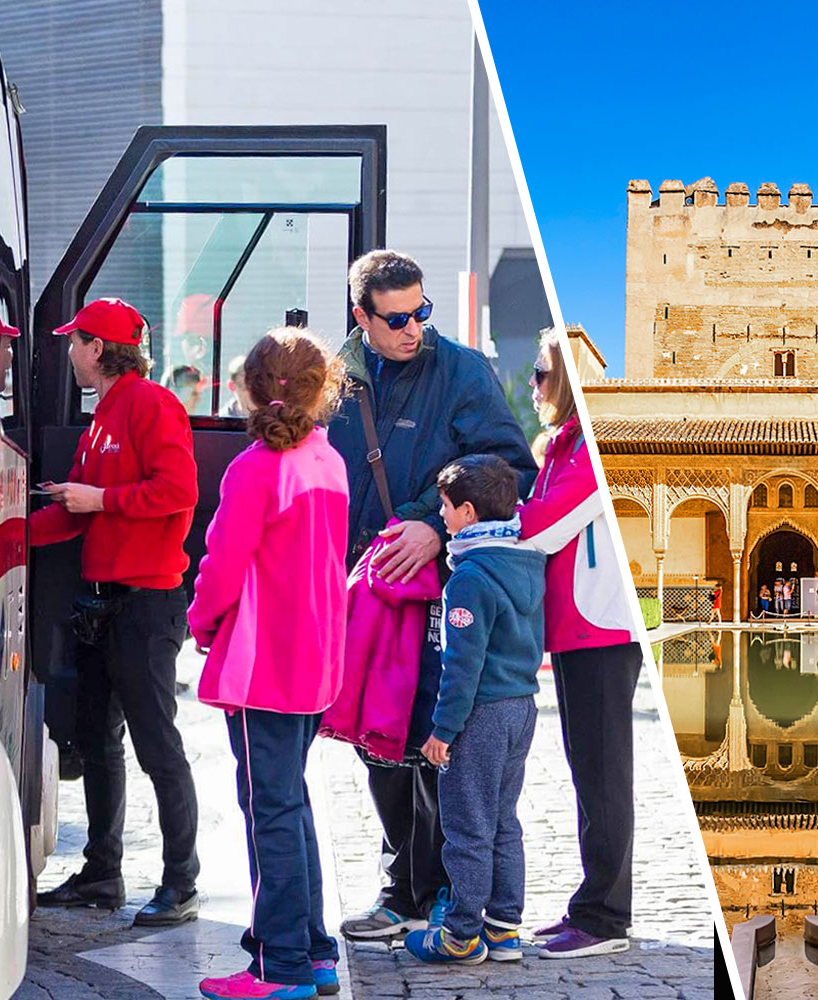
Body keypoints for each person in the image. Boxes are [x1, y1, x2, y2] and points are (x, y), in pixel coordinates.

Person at [328, 250, 538, 941]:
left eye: (423, 311)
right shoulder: (338, 376)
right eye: (397, 318)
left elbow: (510, 470)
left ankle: (442, 893)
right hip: (362, 590)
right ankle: (404, 889)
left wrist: (427, 520)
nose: (414, 326)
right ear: (362, 317)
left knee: (433, 740)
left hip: (438, 589)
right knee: (374, 738)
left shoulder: (464, 370)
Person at [31, 297, 201, 926]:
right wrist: (4, 534)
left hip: (144, 605)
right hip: (104, 604)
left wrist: (99, 497)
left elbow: (179, 491)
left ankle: (181, 882)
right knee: (101, 742)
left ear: (97, 348)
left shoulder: (150, 405)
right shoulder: (105, 413)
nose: (68, 351)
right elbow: (75, 512)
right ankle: (103, 874)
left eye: (74, 342)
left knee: (157, 746)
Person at [191, 330, 350, 1000]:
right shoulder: (328, 460)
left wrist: (201, 621)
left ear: (253, 387)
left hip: (265, 661)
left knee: (270, 810)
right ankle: (311, 950)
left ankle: (279, 964)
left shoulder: (256, 467)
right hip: (315, 657)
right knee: (290, 802)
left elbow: (223, 567)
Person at [516, 331, 643, 958]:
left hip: (600, 626)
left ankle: (605, 918)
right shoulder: (563, 444)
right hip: (573, 628)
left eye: (540, 374)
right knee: (587, 769)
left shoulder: (588, 445)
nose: (534, 385)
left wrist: (487, 523)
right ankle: (590, 905)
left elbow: (545, 524)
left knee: (603, 772)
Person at [405, 455, 545, 965]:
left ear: (466, 511)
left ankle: (461, 933)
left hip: (481, 712)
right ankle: (504, 928)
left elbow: (461, 665)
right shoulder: (523, 560)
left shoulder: (469, 578)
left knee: (467, 824)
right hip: (521, 706)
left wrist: (443, 729)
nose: (440, 515)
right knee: (503, 820)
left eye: (444, 506)